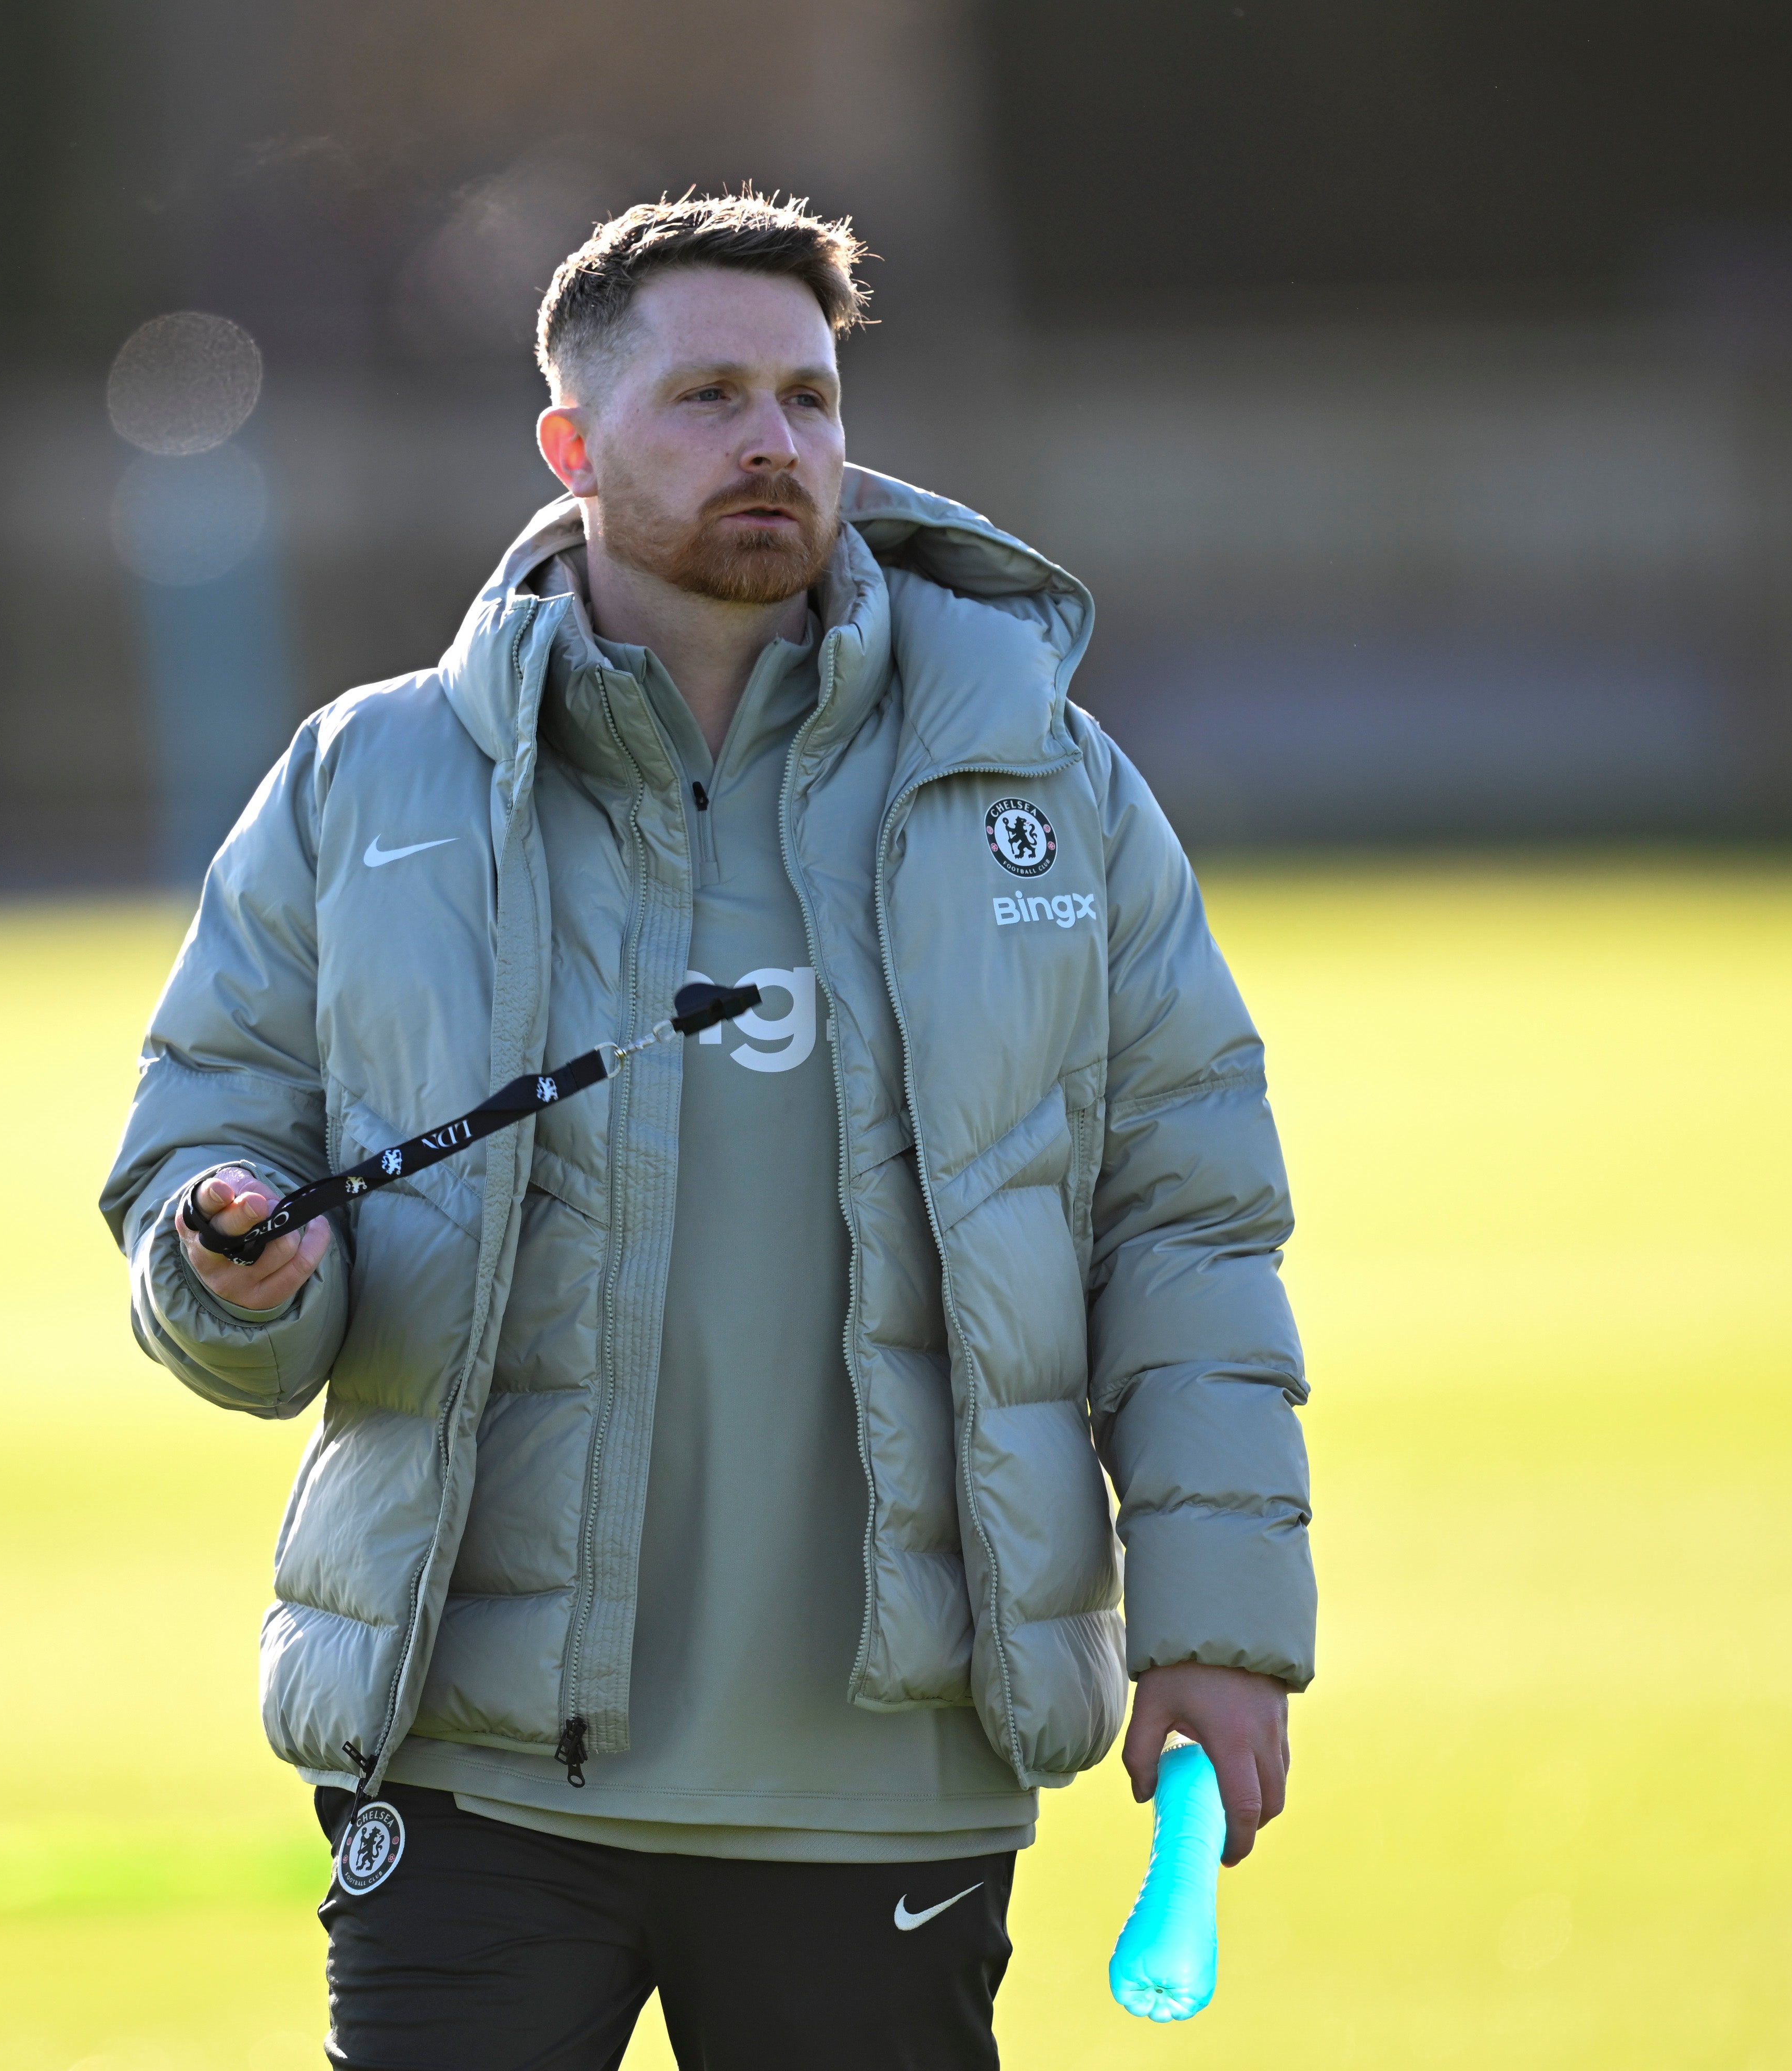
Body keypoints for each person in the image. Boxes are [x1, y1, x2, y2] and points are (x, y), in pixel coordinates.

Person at [99, 193, 1313, 2069]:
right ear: (570, 450)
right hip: (473, 1774)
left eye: (810, 398)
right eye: (709, 398)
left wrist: (1216, 1629)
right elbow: (198, 1165)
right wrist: (238, 1268)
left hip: (888, 1793)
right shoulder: (369, 780)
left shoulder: (1045, 784)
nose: (777, 441)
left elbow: (1188, 1226)